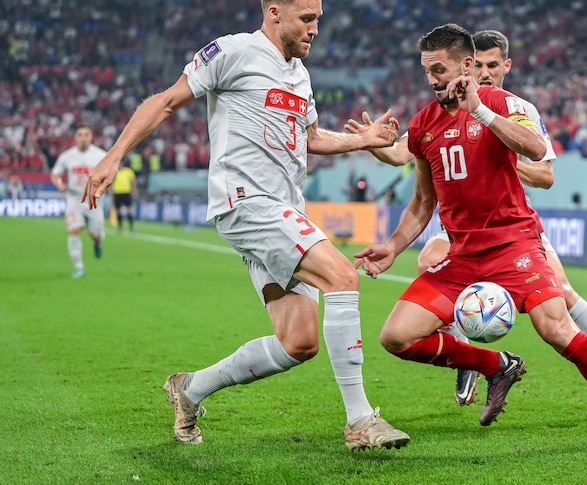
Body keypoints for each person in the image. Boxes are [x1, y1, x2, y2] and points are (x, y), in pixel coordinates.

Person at [82, 0, 409, 452]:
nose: (315, 29)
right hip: (246, 202)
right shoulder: (232, 51)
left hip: (284, 210)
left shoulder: (299, 74)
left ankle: (189, 389)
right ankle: (360, 422)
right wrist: (113, 155)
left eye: (318, 20)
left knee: (299, 342)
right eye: (306, 19)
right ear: (275, 12)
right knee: (342, 276)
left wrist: (362, 140)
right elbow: (165, 101)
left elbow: (311, 138)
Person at [354, 23, 587, 446]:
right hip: (462, 255)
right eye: (427, 71)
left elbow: (538, 152)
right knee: (396, 336)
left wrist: (480, 112)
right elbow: (421, 203)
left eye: (440, 70)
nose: (432, 79)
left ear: (466, 67)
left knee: (556, 328)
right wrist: (392, 248)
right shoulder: (425, 124)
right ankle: (496, 364)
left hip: (514, 244)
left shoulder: (501, 103)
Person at [51, 122, 106, 279]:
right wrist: (59, 185)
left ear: (91, 137)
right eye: (80, 135)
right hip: (74, 198)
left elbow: (111, 173)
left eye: (86, 135)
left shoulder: (101, 156)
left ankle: (96, 242)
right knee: (73, 231)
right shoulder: (67, 156)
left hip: (93, 198)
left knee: (96, 234)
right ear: (75, 138)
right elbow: (55, 175)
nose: (83, 138)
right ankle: (78, 267)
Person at [112, 159, 137, 233]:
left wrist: (134, 192)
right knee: (118, 211)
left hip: (126, 193)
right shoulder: (114, 172)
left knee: (129, 210)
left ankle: (131, 227)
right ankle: (120, 227)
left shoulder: (128, 171)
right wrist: (112, 195)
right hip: (117, 193)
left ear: (122, 164)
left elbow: (133, 183)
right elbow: (111, 184)